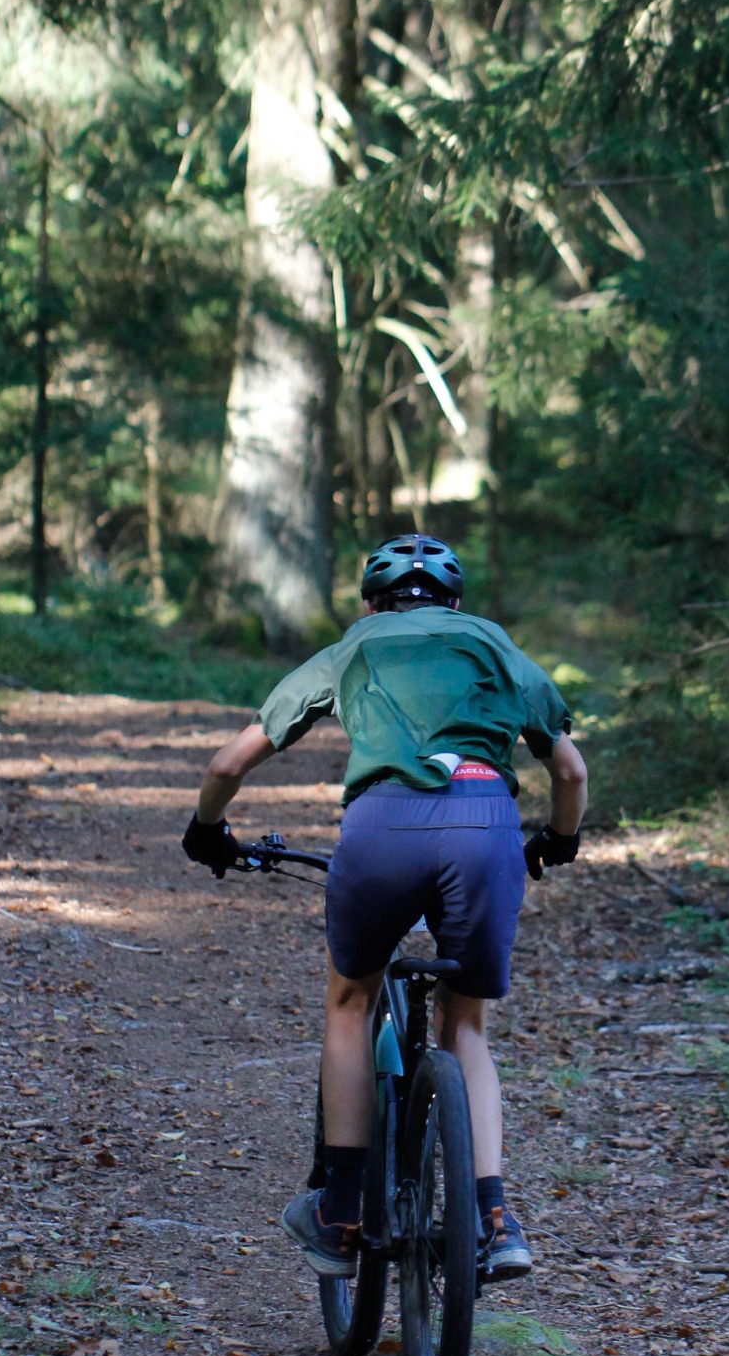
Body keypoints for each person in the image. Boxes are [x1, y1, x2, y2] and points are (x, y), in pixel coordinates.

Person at [181, 532, 588, 1283]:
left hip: (383, 829)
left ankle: (340, 1213)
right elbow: (569, 771)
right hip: (485, 828)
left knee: (349, 1002)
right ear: (455, 604)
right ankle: (494, 1220)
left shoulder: (355, 645)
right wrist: (558, 840)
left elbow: (227, 762)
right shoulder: (493, 644)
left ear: (370, 604)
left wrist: (207, 829)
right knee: (466, 1025)